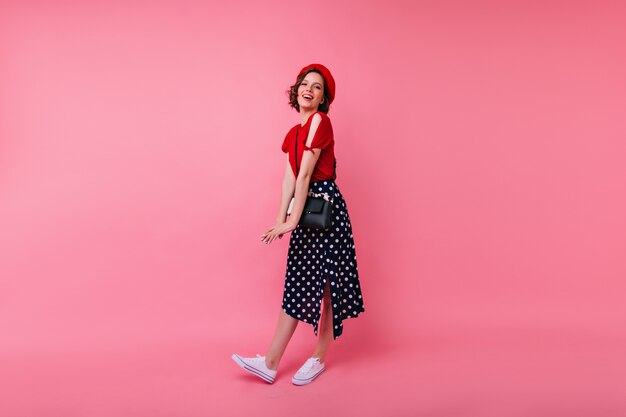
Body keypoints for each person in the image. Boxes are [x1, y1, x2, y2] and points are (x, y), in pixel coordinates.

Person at [232, 63, 365, 386]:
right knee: (298, 282)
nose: (309, 89)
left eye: (317, 87)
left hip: (325, 210)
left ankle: (319, 357)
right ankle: (271, 361)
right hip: (305, 210)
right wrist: (281, 220)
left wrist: (292, 220)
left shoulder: (321, 121)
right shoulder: (292, 134)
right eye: (305, 84)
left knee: (330, 286)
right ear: (297, 91)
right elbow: (289, 178)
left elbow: (307, 174)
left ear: (323, 98)